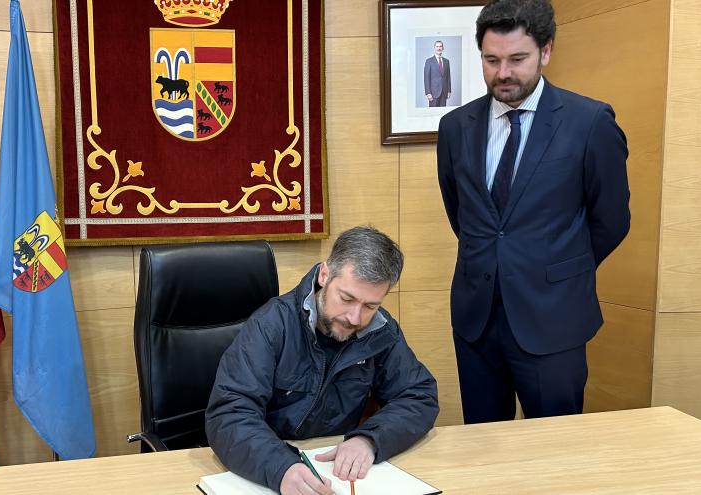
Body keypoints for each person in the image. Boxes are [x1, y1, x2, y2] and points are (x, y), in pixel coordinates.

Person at [436, 0, 630, 425]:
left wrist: (556, 267)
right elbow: (463, 216)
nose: (503, 73)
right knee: (484, 447)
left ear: (546, 52)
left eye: (517, 59)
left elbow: (612, 220)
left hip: (554, 318)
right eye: (491, 60)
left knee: (555, 452)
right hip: (476, 320)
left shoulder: (590, 122)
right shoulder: (455, 128)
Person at [205, 226, 438, 495]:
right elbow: (229, 414)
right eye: (347, 298)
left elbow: (418, 395)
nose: (355, 318)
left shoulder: (379, 330)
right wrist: (280, 467)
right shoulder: (271, 325)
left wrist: (369, 439)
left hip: (336, 472)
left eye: (370, 306)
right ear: (324, 275)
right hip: (267, 468)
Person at [423, 40, 452, 107]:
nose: (439, 48)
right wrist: (428, 93)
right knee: (432, 113)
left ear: (443, 48)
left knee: (443, 114)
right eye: (437, 46)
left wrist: (449, 90)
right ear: (434, 48)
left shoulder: (446, 61)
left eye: (440, 46)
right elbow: (426, 78)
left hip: (444, 92)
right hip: (433, 93)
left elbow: (448, 77)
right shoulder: (429, 61)